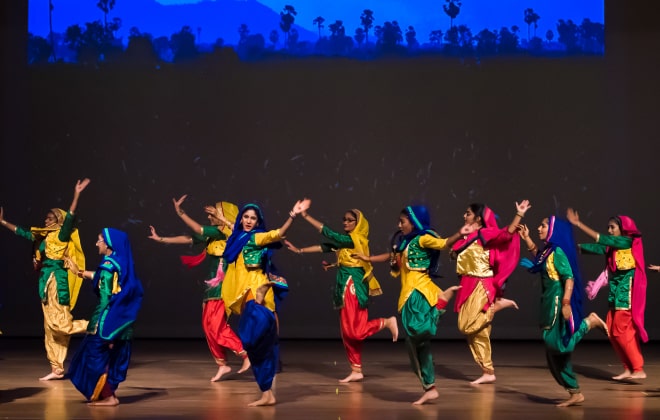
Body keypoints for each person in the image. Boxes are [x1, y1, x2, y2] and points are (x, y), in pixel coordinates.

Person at [364, 205, 468, 404]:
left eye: (402, 221)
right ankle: (430, 387)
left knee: (416, 330)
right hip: (407, 293)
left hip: (419, 291)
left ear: (414, 222)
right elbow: (394, 262)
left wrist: (459, 233)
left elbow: (443, 243)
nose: (399, 225)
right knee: (415, 345)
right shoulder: (404, 244)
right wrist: (380, 260)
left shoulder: (422, 238)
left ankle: (440, 305)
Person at [283, 208, 398, 383]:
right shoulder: (346, 241)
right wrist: (299, 250)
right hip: (343, 284)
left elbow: (329, 234)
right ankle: (356, 369)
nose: (345, 222)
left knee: (355, 331)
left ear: (357, 223)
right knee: (347, 331)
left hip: (353, 285)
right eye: (344, 219)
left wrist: (306, 216)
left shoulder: (354, 239)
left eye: (349, 220)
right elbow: (325, 246)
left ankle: (386, 322)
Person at [148, 195, 249, 381]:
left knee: (217, 326)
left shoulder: (227, 232)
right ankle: (222, 364)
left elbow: (197, 227)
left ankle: (245, 354)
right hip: (211, 287)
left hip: (224, 285)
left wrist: (181, 213)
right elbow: (188, 238)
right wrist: (161, 238)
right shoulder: (213, 235)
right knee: (207, 326)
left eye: (213, 213)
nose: (209, 216)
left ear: (224, 215)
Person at [221, 199, 310, 406]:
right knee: (254, 344)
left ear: (258, 221)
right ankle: (267, 393)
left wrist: (293, 214)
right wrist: (220, 218)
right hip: (243, 293)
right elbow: (230, 227)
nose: (249, 221)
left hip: (257, 288)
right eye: (246, 217)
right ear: (241, 218)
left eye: (253, 218)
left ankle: (265, 385)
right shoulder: (237, 237)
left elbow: (277, 234)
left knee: (255, 337)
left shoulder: (257, 237)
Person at [0, 178, 90, 380]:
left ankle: (95, 324)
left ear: (58, 220)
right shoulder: (43, 237)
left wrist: (76, 195)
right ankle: (57, 368)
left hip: (58, 282)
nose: (46, 220)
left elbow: (71, 216)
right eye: (46, 218)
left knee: (61, 325)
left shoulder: (61, 234)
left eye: (50, 218)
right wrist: (3, 222)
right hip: (45, 283)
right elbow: (23, 232)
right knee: (49, 327)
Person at [519, 216, 608, 407]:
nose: (538, 228)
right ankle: (575, 392)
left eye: (542, 225)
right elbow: (539, 259)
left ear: (552, 229)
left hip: (558, 302)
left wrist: (566, 302)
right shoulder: (548, 251)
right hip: (548, 301)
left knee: (559, 346)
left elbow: (569, 277)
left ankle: (588, 323)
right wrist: (526, 238)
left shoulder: (558, 252)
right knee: (555, 356)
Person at [451, 201, 530, 385]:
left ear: (478, 218)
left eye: (468, 213)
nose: (465, 216)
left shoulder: (484, 233)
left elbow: (506, 233)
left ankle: (496, 306)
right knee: (478, 334)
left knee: (465, 326)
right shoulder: (466, 237)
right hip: (466, 283)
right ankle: (488, 371)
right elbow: (452, 250)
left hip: (481, 283)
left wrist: (519, 214)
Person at [567, 208, 648, 380]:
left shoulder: (626, 241)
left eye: (612, 227)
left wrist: (579, 224)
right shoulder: (612, 248)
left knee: (621, 329)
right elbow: (595, 247)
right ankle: (628, 368)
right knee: (611, 329)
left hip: (626, 290)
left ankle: (638, 368)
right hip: (615, 289)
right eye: (609, 227)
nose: (609, 230)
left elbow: (600, 238)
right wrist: (566, 245)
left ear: (622, 229)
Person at [67, 228, 144, 406]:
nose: (96, 244)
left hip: (106, 322)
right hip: (121, 322)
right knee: (111, 357)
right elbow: (104, 279)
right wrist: (80, 272)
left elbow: (106, 297)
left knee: (93, 356)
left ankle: (109, 397)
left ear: (108, 244)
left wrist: (101, 325)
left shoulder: (108, 265)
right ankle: (107, 394)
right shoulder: (121, 263)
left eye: (99, 240)